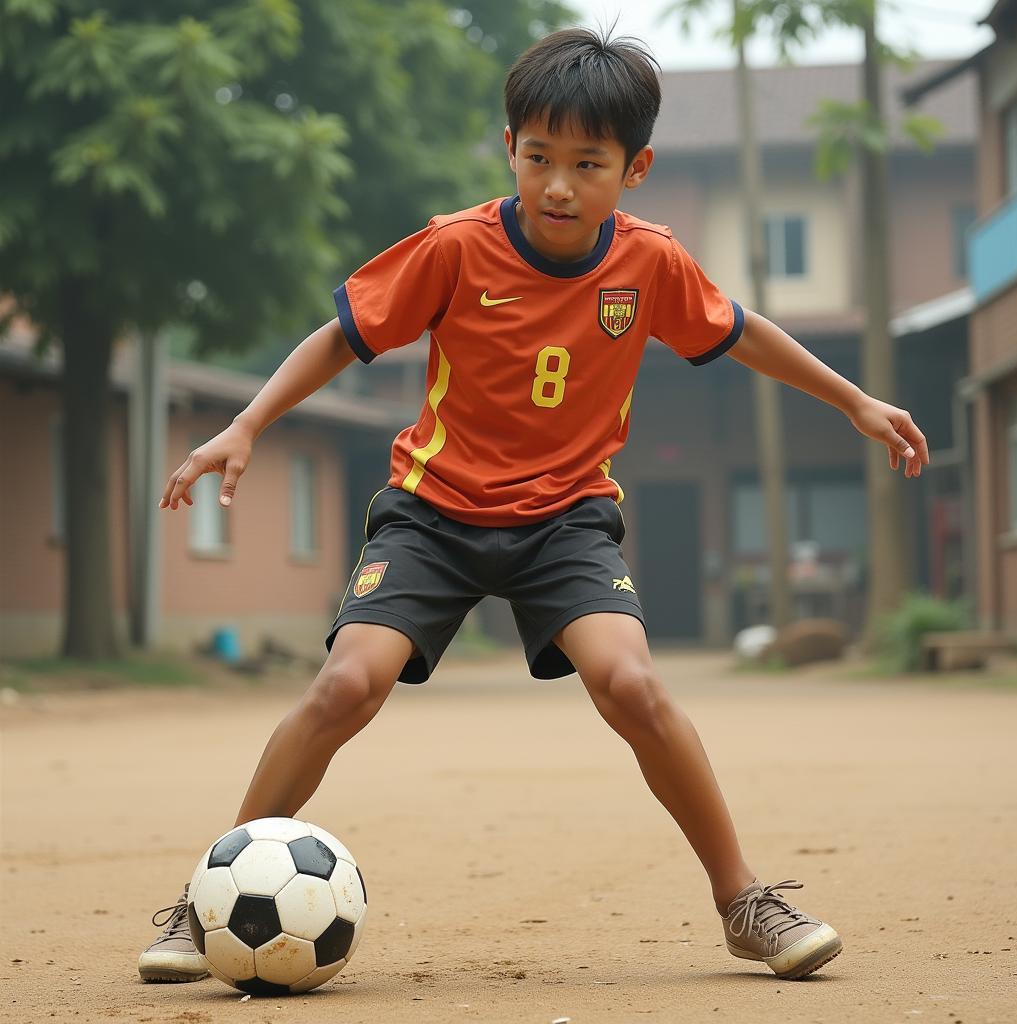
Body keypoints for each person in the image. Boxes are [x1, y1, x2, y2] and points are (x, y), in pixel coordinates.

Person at [139, 27, 928, 984]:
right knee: (348, 683)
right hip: (432, 512)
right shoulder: (454, 247)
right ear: (508, 147)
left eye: (587, 164)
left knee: (634, 685)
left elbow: (739, 332)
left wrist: (854, 400)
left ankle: (744, 902)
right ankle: (204, 901)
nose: (558, 185)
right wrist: (249, 423)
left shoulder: (649, 264)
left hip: (566, 521)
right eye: (538, 157)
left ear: (632, 169)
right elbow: (342, 335)